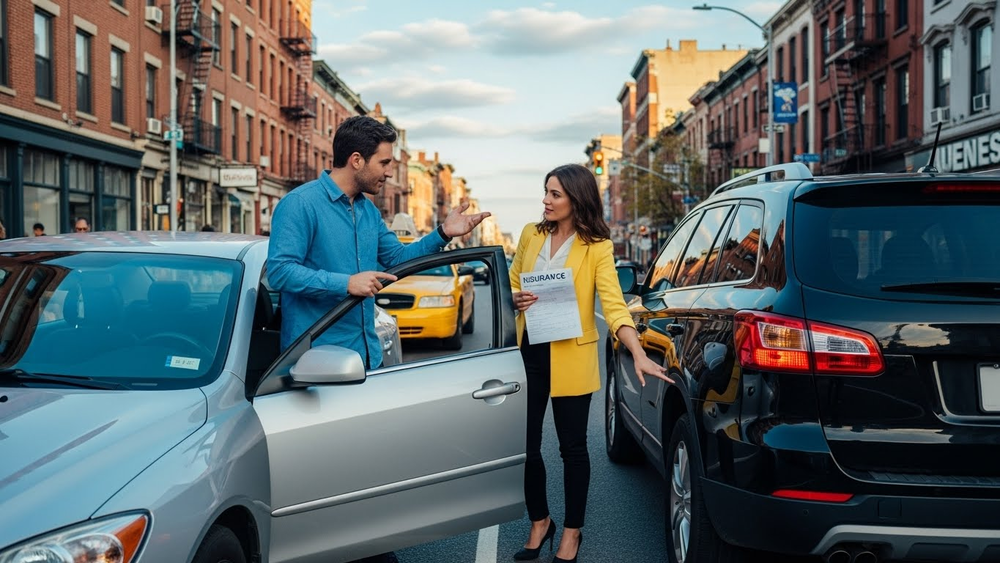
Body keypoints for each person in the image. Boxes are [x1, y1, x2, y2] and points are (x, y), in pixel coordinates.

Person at [508, 164, 672, 563]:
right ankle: (540, 521)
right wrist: (516, 297)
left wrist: (636, 352)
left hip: (571, 354)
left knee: (572, 449)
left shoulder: (597, 246)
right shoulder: (531, 234)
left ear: (576, 200)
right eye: (545, 192)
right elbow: (514, 279)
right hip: (529, 350)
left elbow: (614, 307)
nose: (545, 200)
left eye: (554, 194)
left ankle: (571, 533)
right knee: (525, 447)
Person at [267, 115, 490, 363]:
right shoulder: (300, 204)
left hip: (368, 357)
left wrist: (444, 233)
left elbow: (398, 258)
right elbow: (280, 272)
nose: (389, 172)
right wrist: (346, 283)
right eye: (384, 162)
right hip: (317, 362)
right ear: (356, 160)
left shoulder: (368, 211)